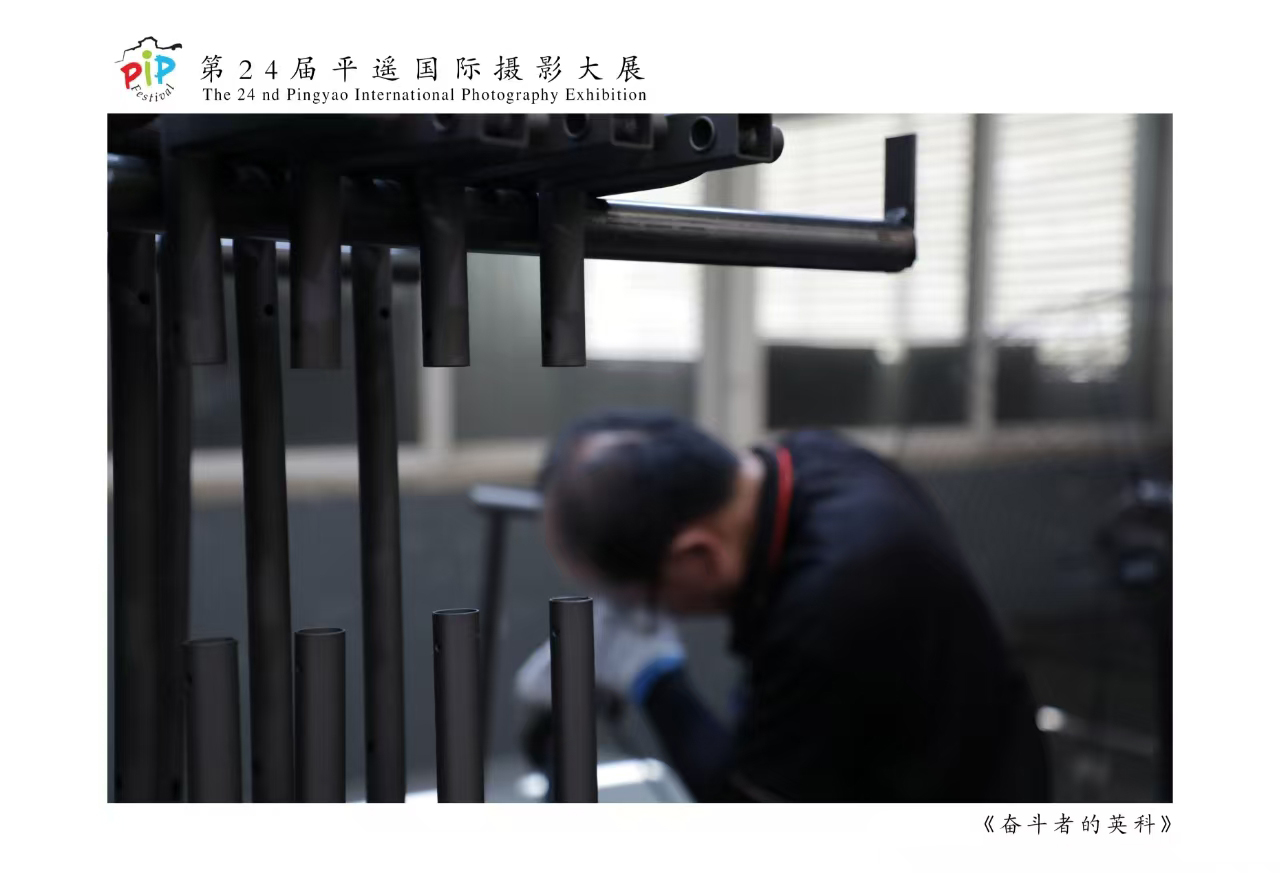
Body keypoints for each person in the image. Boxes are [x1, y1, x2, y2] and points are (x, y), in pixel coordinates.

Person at [514, 409, 1050, 802]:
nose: (644, 617)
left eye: (635, 602)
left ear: (698, 556)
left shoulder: (832, 604)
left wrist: (653, 678)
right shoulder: (813, 458)